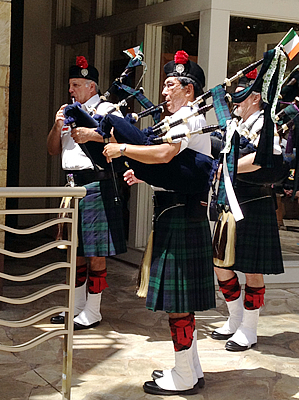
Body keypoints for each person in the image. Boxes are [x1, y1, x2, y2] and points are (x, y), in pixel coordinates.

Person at [103, 50, 215, 396]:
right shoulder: (183, 117)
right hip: (176, 209)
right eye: (164, 85)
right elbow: (172, 169)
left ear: (189, 89)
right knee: (180, 301)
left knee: (177, 302)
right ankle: (190, 368)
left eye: (170, 85)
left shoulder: (189, 116)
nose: (163, 92)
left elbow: (165, 154)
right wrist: (144, 172)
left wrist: (122, 149)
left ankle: (183, 377)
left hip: (179, 213)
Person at [47, 56, 127, 330]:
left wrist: (92, 134)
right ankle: (77, 307)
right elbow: (52, 149)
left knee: (96, 252)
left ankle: (93, 311)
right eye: (70, 84)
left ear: (91, 87)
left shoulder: (106, 109)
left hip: (96, 182)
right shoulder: (67, 110)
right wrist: (58, 126)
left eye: (76, 84)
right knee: (75, 251)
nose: (71, 90)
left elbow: (124, 138)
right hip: (71, 186)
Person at [211, 72, 284, 351]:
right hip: (232, 200)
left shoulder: (267, 123)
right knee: (221, 264)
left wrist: (226, 168)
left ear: (255, 97)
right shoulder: (235, 124)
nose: (235, 102)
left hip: (256, 201)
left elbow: (263, 159)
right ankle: (236, 318)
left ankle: (249, 329)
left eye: (240, 96)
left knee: (252, 270)